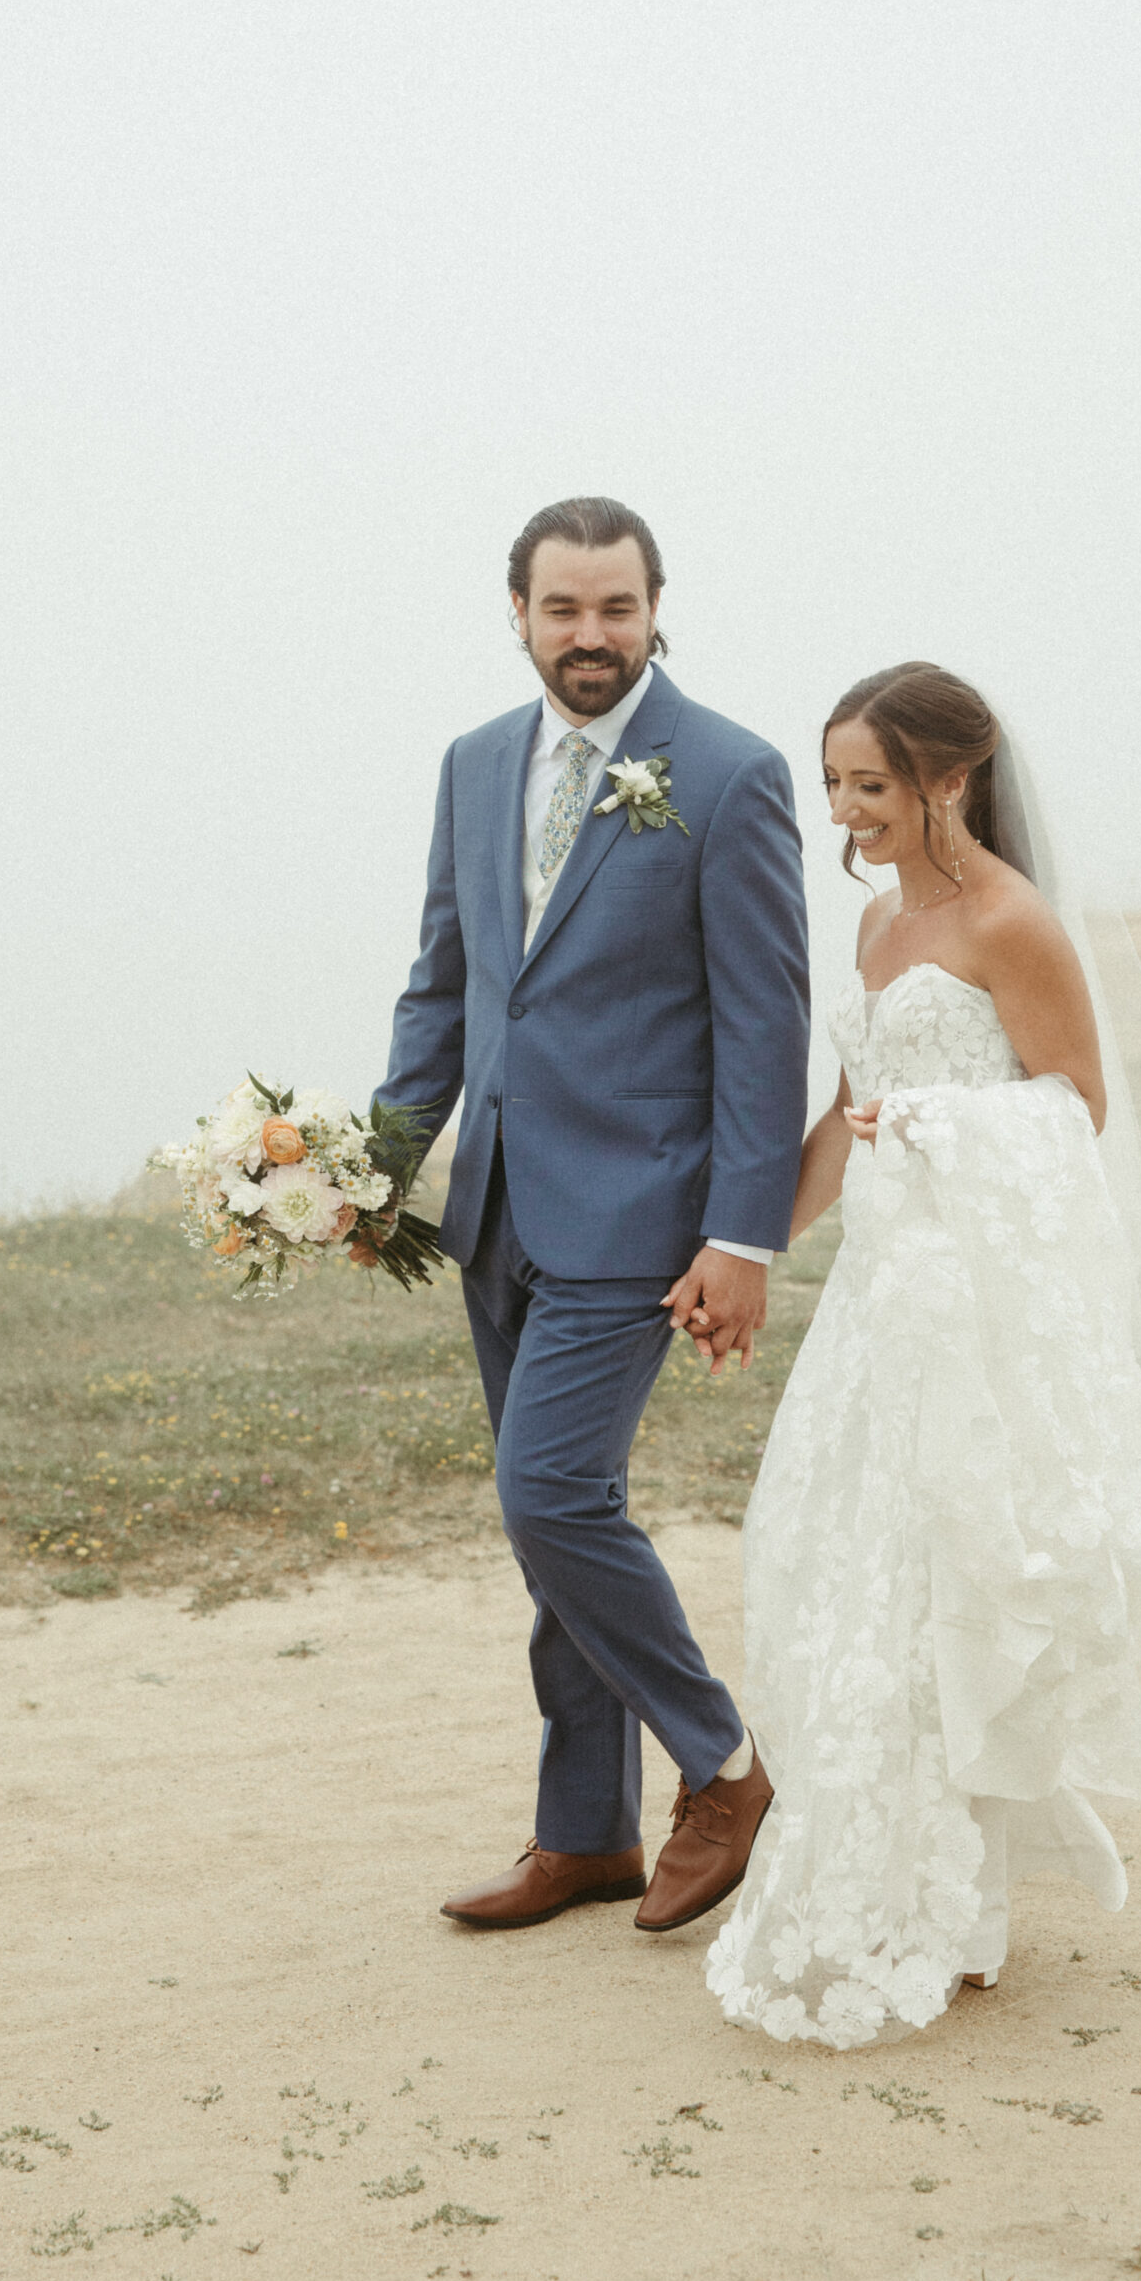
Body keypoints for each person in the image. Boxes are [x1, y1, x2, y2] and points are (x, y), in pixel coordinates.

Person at [704, 661, 1141, 2050]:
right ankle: (892, 1873)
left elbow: (1077, 1114)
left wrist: (946, 1126)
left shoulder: (1015, 925)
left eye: (868, 784)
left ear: (950, 776)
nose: (847, 810)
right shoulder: (879, 927)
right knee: (839, 1572)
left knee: (953, 1589)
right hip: (884, 1310)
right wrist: (750, 1250)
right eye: (835, 784)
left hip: (979, 1319)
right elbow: (847, 1115)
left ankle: (956, 1901)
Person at [374, 496, 810, 1933]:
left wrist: (741, 1238)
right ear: (519, 613)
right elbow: (447, 984)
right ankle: (583, 1836)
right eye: (563, 610)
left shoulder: (731, 775)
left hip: (640, 1215)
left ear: (656, 605)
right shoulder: (473, 765)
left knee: (549, 1493)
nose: (590, 637)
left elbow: (764, 1028)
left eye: (615, 609)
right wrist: (377, 1172)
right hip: (493, 1212)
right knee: (553, 1528)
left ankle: (726, 1766)